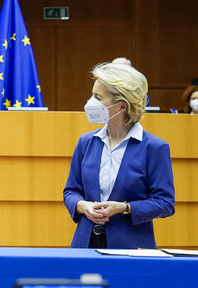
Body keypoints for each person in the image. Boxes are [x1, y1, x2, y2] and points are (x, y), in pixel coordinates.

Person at [63, 62, 175, 249]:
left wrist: (125, 207)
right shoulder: (86, 142)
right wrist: (83, 206)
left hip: (131, 248)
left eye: (98, 97)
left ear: (121, 107)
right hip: (85, 245)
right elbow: (71, 191)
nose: (90, 102)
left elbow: (165, 203)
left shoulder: (154, 147)